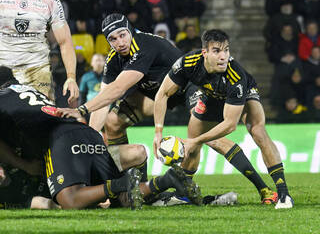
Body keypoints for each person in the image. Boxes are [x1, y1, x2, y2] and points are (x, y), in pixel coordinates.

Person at [58, 13, 279, 204]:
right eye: (113, 39)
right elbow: (104, 99)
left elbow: (118, 88)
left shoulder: (143, 46)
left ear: (131, 31)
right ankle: (133, 187)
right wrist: (92, 139)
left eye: (123, 35)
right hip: (158, 95)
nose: (120, 42)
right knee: (113, 122)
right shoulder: (114, 59)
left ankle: (263, 187)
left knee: (208, 138)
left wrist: (82, 110)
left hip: (188, 87)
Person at [0, 66, 202, 209]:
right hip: (85, 132)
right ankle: (168, 180)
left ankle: (122, 183)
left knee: (70, 200)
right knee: (121, 200)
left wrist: (23, 165)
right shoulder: (25, 91)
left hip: (59, 140)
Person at [153, 29, 294, 209]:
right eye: (217, 51)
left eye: (226, 50)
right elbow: (162, 94)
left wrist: (194, 141)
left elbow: (230, 125)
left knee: (257, 131)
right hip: (210, 95)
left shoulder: (235, 76)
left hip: (241, 92)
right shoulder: (188, 62)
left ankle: (283, 194)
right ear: (204, 53)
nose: (223, 56)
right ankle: (183, 193)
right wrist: (158, 132)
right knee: (193, 140)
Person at [0, 0, 79, 102]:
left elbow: (65, 42)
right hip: (3, 71)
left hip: (37, 73)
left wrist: (71, 77)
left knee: (42, 122)